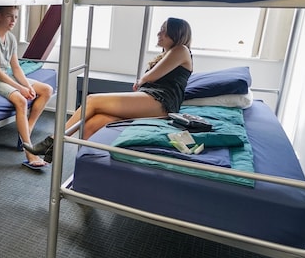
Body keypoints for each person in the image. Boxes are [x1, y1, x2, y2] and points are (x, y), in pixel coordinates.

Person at [25, 18, 194, 158]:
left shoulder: (181, 50)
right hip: (151, 99)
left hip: (162, 103)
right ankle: (86, 166)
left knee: (91, 100)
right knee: (92, 123)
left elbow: (152, 76)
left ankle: (54, 141)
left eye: (164, 30)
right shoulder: (167, 54)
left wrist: (141, 79)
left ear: (176, 33)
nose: (159, 33)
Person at [0, 6, 54, 170]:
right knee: (21, 101)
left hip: (6, 74)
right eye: (10, 16)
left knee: (47, 90)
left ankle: (27, 131)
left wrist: (27, 85)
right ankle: (29, 151)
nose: (13, 21)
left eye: (16, 17)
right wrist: (21, 89)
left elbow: (16, 68)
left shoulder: (10, 38)